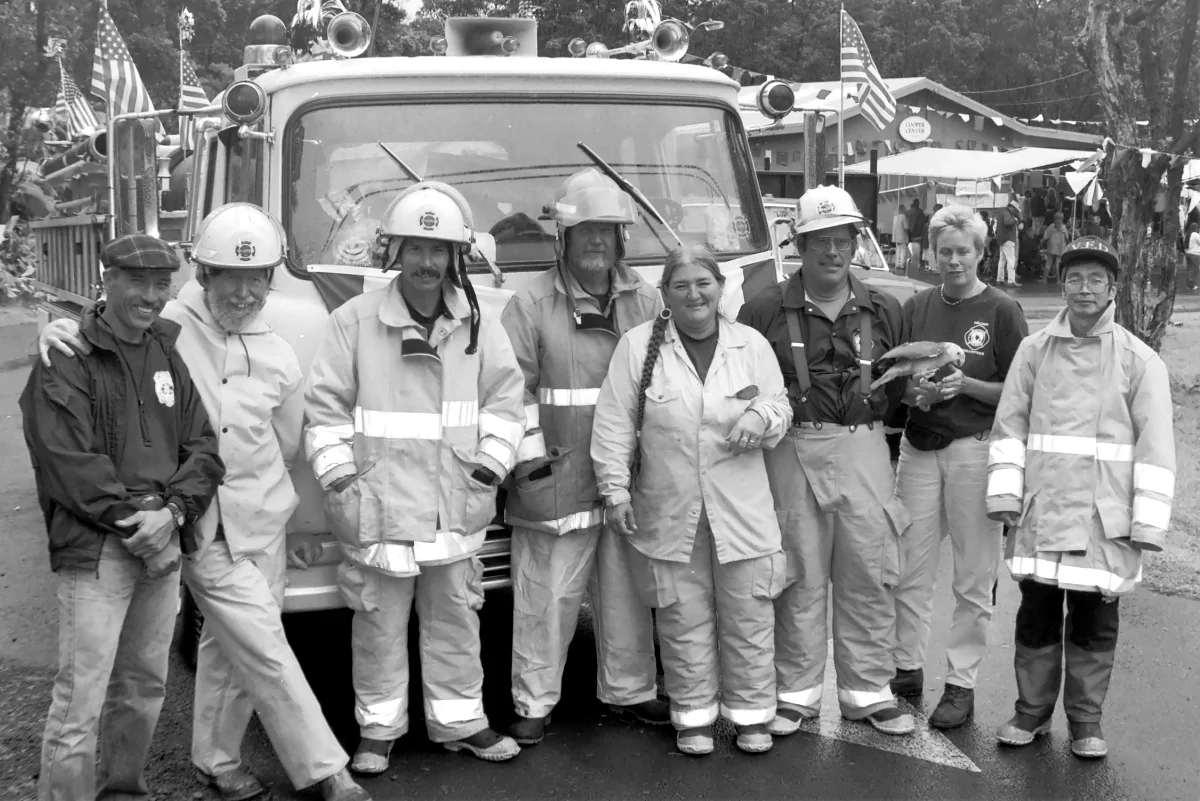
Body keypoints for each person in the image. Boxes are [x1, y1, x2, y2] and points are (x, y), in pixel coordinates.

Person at [36, 207, 371, 801]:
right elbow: (108, 327)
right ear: (204, 274)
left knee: (232, 649)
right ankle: (327, 770)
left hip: (251, 520)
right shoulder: (165, 325)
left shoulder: (278, 353)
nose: (243, 293)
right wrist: (57, 331)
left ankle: (216, 761)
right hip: (174, 521)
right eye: (229, 277)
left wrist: (289, 520)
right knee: (256, 648)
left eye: (256, 279)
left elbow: (286, 446)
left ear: (270, 280)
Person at [303, 182, 526, 769]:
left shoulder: (480, 325)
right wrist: (343, 482)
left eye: (439, 250)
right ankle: (378, 731)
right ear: (394, 251)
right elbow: (324, 411)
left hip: (454, 501)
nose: (427, 262)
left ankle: (462, 722)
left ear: (456, 256)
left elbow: (506, 404)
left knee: (456, 618)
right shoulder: (353, 322)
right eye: (416, 248)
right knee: (377, 623)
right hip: (377, 505)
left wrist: (488, 469)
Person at [21, 234, 225, 801]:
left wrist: (174, 513)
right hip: (99, 550)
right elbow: (66, 461)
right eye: (137, 282)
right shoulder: (67, 356)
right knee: (79, 700)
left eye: (162, 284)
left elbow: (203, 448)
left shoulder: (166, 352)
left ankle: (123, 792)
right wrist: (143, 523)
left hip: (161, 536)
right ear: (106, 280)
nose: (151, 296)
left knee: (143, 687)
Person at [591, 245, 791, 756]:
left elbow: (780, 404)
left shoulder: (750, 344)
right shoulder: (638, 347)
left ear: (720, 288)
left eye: (703, 283)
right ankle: (694, 717)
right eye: (680, 285)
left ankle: (751, 716)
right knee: (682, 618)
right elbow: (614, 424)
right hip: (668, 509)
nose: (693, 294)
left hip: (741, 511)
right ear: (665, 293)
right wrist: (615, 491)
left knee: (749, 615)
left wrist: (761, 416)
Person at [988, 236, 1175, 759]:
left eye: (1096, 279)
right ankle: (1030, 712)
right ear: (1063, 286)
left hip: (1102, 522)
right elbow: (1009, 427)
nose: (1085, 288)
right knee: (1036, 617)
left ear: (1113, 288)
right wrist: (1004, 497)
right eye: (1075, 278)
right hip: (1042, 512)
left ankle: (1086, 721)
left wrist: (1148, 525)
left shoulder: (1139, 360)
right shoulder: (1033, 351)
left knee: (1094, 624)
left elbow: (1157, 448)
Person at [737, 185, 914, 737]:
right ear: (800, 245)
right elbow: (744, 385)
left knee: (870, 569)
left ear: (856, 243)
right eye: (820, 241)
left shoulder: (885, 308)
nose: (833, 252)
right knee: (798, 571)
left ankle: (868, 691)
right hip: (792, 449)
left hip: (865, 447)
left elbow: (900, 386)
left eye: (843, 240)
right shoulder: (763, 309)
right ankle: (796, 694)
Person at [501, 168, 667, 746]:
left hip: (627, 477)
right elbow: (509, 393)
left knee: (626, 593)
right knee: (545, 598)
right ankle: (534, 702)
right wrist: (533, 465)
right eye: (586, 230)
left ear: (622, 238)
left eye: (607, 230)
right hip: (557, 474)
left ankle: (632, 690)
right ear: (563, 237)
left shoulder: (648, 299)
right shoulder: (530, 303)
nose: (597, 240)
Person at [888, 206, 1029, 730]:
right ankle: (905, 668)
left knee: (973, 576)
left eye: (963, 251)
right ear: (931, 253)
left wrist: (964, 385)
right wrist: (915, 394)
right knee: (908, 568)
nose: (953, 260)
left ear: (980, 253)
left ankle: (960, 684)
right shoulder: (916, 306)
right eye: (944, 251)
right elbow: (897, 376)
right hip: (919, 449)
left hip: (975, 449)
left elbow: (1019, 390)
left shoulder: (1002, 309)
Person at [996, 200, 1021, 287]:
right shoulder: (1007, 213)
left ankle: (1000, 279)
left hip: (1002, 239)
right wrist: (1015, 220)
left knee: (1002, 260)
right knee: (1011, 259)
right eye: (1015, 210)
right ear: (1012, 207)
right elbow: (1007, 222)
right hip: (1008, 239)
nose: (1016, 212)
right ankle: (1011, 280)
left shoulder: (1002, 212)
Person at [1042, 212, 1069, 283]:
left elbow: (1046, 236)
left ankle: (1044, 279)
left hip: (1052, 246)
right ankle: (1058, 280)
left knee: (1048, 262)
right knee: (1058, 264)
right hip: (1060, 247)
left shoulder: (1051, 226)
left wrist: (1042, 241)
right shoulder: (1064, 228)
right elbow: (1067, 238)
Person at [906, 199, 925, 274]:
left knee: (910, 249)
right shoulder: (919, 212)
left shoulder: (908, 211)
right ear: (918, 203)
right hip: (917, 233)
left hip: (909, 233)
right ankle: (917, 264)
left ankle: (909, 263)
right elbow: (922, 223)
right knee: (917, 250)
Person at [891, 206, 909, 271]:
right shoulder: (903, 216)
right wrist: (908, 234)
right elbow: (906, 227)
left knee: (898, 251)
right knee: (903, 251)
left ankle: (897, 264)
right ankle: (902, 265)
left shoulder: (895, 217)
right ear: (903, 210)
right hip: (903, 236)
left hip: (896, 237)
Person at [1184, 222, 1200, 292]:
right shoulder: (1195, 234)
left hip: (1187, 253)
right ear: (1196, 228)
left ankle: (1189, 285)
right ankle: (1190, 284)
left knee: (1190, 269)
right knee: (1195, 269)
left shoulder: (1187, 234)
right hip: (1195, 254)